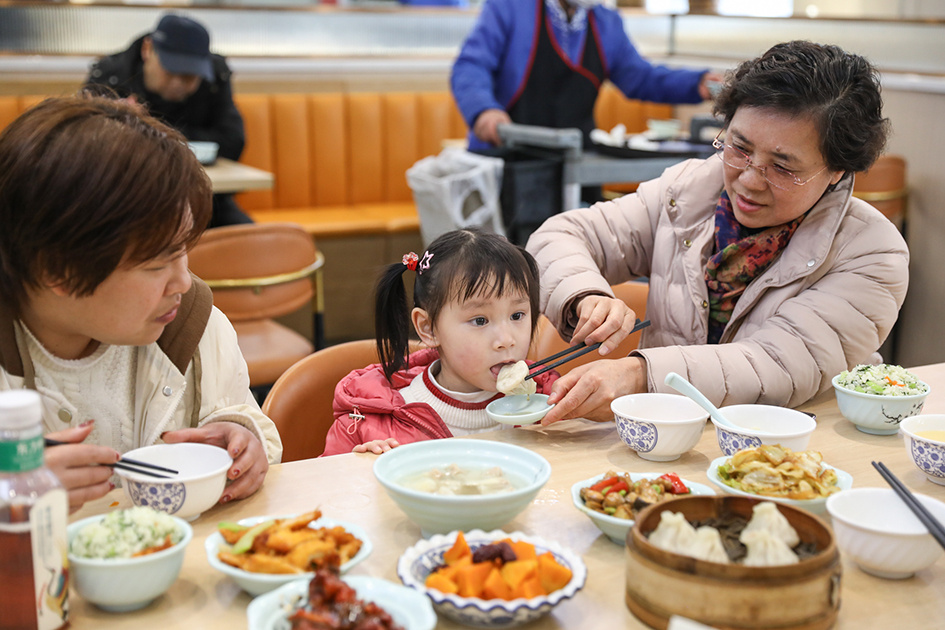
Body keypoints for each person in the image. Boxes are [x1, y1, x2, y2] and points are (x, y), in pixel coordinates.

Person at [526, 40, 909, 424]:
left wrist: (642, 374)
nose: (749, 180)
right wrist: (584, 295)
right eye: (739, 148)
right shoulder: (687, 192)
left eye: (782, 167)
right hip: (666, 441)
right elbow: (559, 236)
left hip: (795, 453)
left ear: (837, 171)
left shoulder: (870, 252)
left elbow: (774, 365)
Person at [0, 94, 282, 512]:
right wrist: (11, 496)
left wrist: (242, 436)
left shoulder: (191, 324)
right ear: (56, 269)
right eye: (156, 264)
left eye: (184, 250)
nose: (184, 282)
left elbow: (240, 413)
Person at [323, 229, 558, 456]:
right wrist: (358, 471)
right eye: (480, 320)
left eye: (517, 316)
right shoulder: (373, 419)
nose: (506, 340)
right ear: (428, 328)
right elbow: (324, 489)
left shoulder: (549, 399)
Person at [450, 0, 722, 152]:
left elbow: (640, 78)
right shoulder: (509, 8)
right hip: (506, 156)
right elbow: (470, 67)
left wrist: (696, 83)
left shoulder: (606, 22)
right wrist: (484, 112)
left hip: (575, 157)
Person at [84, 13, 251, 229]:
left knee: (254, 245)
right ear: (147, 50)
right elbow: (85, 148)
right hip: (128, 204)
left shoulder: (215, 76)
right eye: (171, 71)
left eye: (190, 76)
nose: (178, 83)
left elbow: (232, 140)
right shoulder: (111, 75)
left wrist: (144, 131)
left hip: (203, 198)